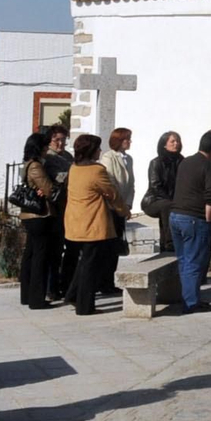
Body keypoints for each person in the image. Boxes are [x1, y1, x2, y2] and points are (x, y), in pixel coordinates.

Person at [63, 134, 128, 316]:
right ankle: (85, 306)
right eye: (98, 148)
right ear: (91, 151)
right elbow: (112, 193)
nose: (100, 151)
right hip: (92, 223)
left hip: (75, 220)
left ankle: (73, 294)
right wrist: (123, 210)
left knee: (85, 261)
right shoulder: (96, 171)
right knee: (91, 265)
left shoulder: (74, 168)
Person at [171, 130, 211, 314]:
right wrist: (208, 220)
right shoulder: (208, 165)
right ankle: (191, 303)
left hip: (176, 215)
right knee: (194, 262)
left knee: (184, 260)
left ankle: (189, 297)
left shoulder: (186, 161)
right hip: (194, 218)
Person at [17, 132, 57, 309]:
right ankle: (36, 299)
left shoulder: (29, 164)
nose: (47, 149)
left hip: (31, 216)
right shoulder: (36, 166)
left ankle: (27, 296)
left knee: (31, 254)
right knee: (40, 256)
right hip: (39, 216)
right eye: (45, 146)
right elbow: (49, 189)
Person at [96, 127, 135, 292]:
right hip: (112, 206)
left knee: (117, 245)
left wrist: (128, 203)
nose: (129, 142)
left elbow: (131, 183)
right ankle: (103, 281)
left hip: (122, 206)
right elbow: (110, 182)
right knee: (108, 246)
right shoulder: (108, 157)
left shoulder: (129, 159)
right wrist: (119, 204)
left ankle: (109, 281)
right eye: (127, 139)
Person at [43, 123, 75, 300]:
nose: (61, 143)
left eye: (63, 140)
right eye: (57, 140)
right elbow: (58, 178)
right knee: (53, 250)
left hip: (69, 206)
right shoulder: (48, 158)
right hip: (55, 208)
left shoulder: (68, 156)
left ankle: (64, 284)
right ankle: (51, 287)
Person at [142, 132, 182, 253]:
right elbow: (155, 186)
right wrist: (172, 200)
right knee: (167, 206)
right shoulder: (156, 162)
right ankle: (170, 243)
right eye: (172, 141)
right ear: (164, 144)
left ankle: (165, 245)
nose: (176, 144)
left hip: (172, 200)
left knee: (169, 208)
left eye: (177, 141)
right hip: (153, 200)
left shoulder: (181, 161)